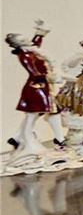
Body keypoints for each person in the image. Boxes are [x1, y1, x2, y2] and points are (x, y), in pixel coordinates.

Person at [6, 20, 66, 155]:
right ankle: (28, 140)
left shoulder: (30, 50)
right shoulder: (25, 56)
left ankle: (16, 138)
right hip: (36, 87)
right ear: (17, 45)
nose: (27, 40)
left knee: (38, 113)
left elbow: (36, 43)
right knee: (35, 114)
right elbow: (35, 74)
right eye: (22, 40)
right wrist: (52, 77)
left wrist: (40, 31)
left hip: (43, 86)